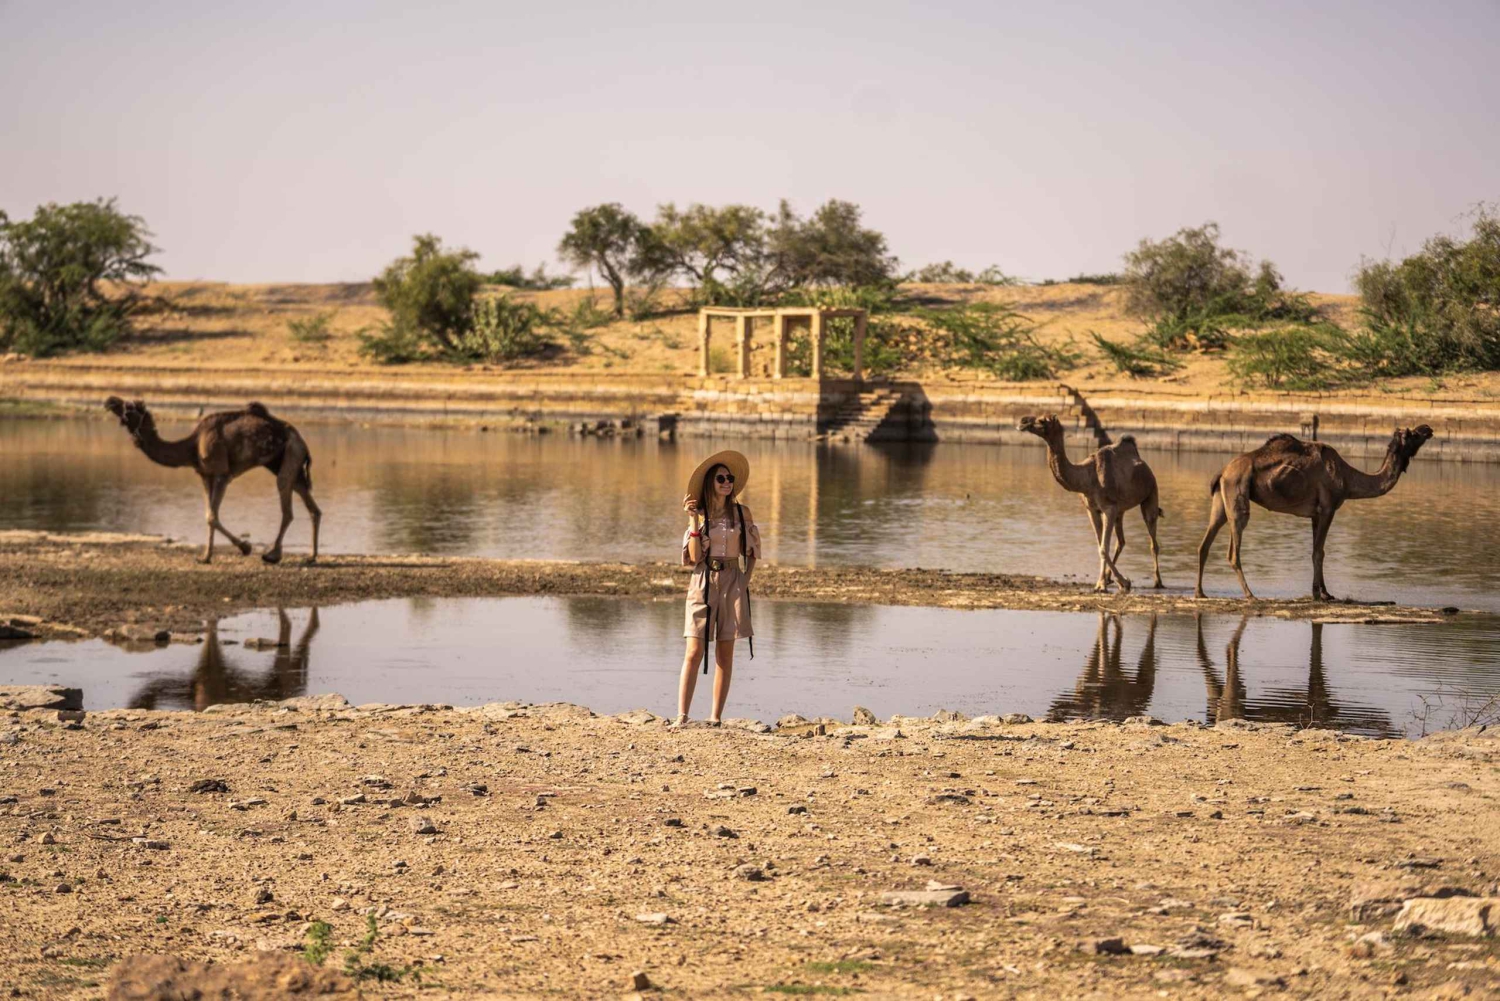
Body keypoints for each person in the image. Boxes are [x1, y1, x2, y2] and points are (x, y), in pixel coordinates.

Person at [675, 449, 760, 727]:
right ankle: (682, 716)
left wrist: (742, 583)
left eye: (730, 478)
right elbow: (695, 557)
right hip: (702, 581)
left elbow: (753, 553)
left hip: (733, 581)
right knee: (693, 650)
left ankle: (715, 718)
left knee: (725, 654)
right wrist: (693, 521)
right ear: (711, 482)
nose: (727, 482)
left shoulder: (742, 513)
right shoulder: (700, 516)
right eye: (721, 478)